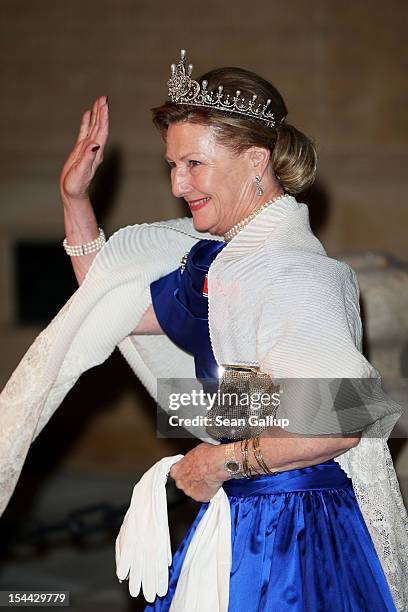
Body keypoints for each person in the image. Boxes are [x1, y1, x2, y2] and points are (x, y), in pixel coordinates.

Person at [1, 50, 407, 610]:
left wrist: (216, 462)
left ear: (256, 162)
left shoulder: (291, 270)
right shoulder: (220, 257)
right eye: (171, 165)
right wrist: (75, 200)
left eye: (194, 164)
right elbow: (110, 300)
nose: (178, 182)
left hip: (296, 532)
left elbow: (338, 426)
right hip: (246, 511)